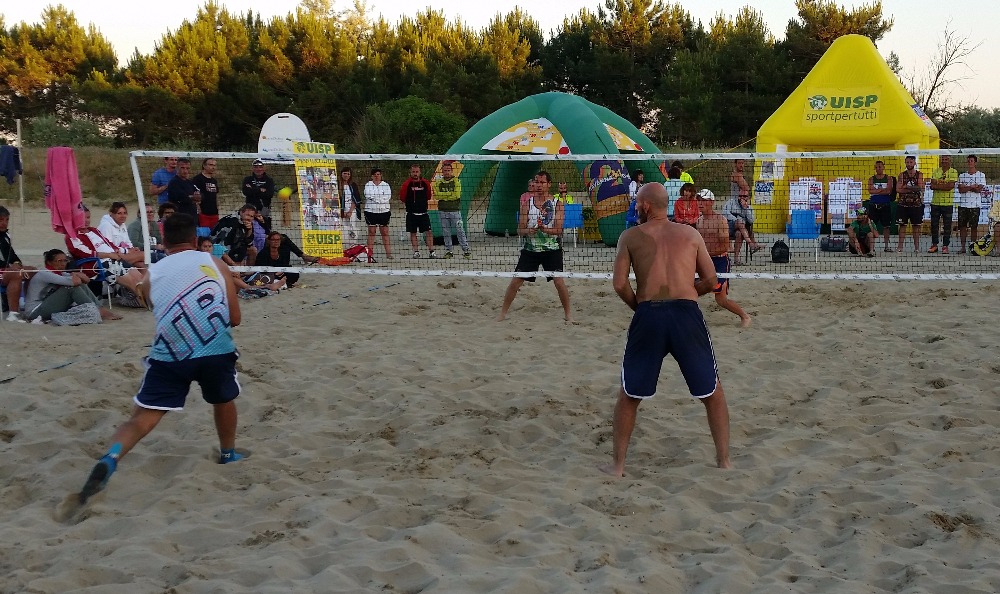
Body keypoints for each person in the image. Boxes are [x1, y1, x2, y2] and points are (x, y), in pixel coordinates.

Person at [77, 213, 245, 504]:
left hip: (171, 351)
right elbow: (235, 318)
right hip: (215, 349)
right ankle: (228, 453)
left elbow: (154, 307)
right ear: (195, 240)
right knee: (223, 400)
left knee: (142, 418)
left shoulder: (151, 274)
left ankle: (111, 457)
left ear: (164, 242)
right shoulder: (216, 264)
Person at [599, 183, 731, 477]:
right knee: (712, 391)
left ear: (646, 205)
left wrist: (639, 306)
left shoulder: (630, 236)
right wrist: (689, 293)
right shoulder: (690, 234)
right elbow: (712, 280)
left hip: (649, 314)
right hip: (686, 314)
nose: (635, 207)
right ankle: (724, 462)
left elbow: (619, 284)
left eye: (637, 203)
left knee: (629, 395)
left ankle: (617, 466)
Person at [497, 170, 572, 322]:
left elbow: (559, 230)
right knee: (516, 281)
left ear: (549, 184)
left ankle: (568, 315)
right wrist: (528, 230)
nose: (538, 185)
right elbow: (519, 229)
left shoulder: (557, 204)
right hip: (531, 249)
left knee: (558, 281)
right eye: (537, 182)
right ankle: (502, 314)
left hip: (552, 249)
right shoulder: (527, 204)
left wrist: (545, 230)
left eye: (542, 182)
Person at [696, 189, 751, 327]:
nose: (700, 203)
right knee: (690, 290)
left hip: (720, 261)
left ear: (711, 202)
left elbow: (725, 247)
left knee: (720, 299)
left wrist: (705, 254)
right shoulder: (699, 220)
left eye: (704, 200)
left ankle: (745, 317)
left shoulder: (720, 220)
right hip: (704, 261)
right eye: (699, 200)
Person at [65, 205, 147, 299]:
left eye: (88, 217)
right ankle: (146, 301)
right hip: (99, 264)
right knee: (133, 282)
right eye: (82, 218)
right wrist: (109, 255)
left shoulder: (94, 230)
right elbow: (83, 252)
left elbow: (109, 244)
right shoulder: (72, 235)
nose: (86, 221)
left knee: (139, 278)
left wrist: (121, 251)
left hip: (114, 259)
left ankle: (147, 298)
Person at [23, 249, 120, 322]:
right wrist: (76, 274)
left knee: (79, 285)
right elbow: (75, 282)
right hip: (34, 311)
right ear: (49, 262)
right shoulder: (45, 273)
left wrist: (76, 275)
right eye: (59, 261)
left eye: (65, 261)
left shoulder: (59, 273)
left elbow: (86, 280)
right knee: (70, 288)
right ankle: (98, 310)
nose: (63, 264)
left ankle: (99, 308)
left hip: (46, 305)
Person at [252, 230, 319, 288]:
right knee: (266, 278)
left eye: (278, 240)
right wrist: (274, 273)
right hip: (267, 273)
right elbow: (261, 269)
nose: (276, 241)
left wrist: (282, 271)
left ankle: (281, 282)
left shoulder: (284, 251)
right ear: (269, 241)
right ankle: (280, 283)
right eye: (273, 240)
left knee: (294, 273)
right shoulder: (263, 253)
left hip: (280, 272)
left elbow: (285, 265)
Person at [1, 205, 32, 321]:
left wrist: (17, 263)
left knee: (32, 271)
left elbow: (13, 256)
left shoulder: (5, 236)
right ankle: (13, 313)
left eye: (7, 220)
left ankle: (28, 305)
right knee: (16, 274)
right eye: (1, 220)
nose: (4, 223)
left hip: (6, 270)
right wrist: (9, 267)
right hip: (2, 271)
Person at [435, 161, 471, 258]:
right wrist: (449, 195)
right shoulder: (438, 182)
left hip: (455, 211)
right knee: (446, 232)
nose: (447, 172)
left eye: (448, 170)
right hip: (443, 210)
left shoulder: (456, 181)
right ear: (442, 172)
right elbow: (437, 196)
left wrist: (444, 196)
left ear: (452, 171)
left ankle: (466, 250)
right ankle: (449, 251)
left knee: (460, 230)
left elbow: (457, 195)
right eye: (445, 170)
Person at [399, 165, 436, 258]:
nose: (415, 174)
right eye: (413, 172)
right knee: (413, 232)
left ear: (420, 172)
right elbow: (402, 197)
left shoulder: (425, 183)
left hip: (423, 213)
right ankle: (416, 252)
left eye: (417, 172)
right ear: (410, 173)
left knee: (428, 232)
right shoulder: (406, 184)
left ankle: (431, 251)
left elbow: (429, 196)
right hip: (411, 213)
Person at [97, 202, 145, 267]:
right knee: (144, 255)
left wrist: (133, 249)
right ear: (111, 214)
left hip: (123, 253)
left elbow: (128, 242)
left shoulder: (122, 225)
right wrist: (127, 251)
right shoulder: (106, 226)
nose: (123, 216)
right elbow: (109, 247)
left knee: (141, 265)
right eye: (119, 213)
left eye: (125, 213)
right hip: (112, 257)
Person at [722, 188, 762, 264]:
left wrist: (745, 208)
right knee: (739, 223)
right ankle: (751, 244)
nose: (742, 198)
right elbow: (724, 212)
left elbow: (751, 221)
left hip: (741, 230)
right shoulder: (731, 202)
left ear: (748, 197)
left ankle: (736, 259)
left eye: (744, 196)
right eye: (740, 196)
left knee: (739, 234)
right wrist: (736, 220)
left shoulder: (749, 208)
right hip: (729, 227)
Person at [956, 155, 986, 254]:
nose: (969, 162)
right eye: (968, 161)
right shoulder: (962, 175)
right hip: (963, 204)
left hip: (975, 205)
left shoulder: (981, 175)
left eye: (971, 161)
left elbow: (978, 190)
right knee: (962, 227)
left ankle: (973, 246)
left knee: (974, 227)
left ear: (975, 163)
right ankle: (963, 247)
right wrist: (972, 186)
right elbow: (960, 190)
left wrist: (966, 187)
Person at [928, 155, 958, 254]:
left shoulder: (953, 172)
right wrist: (944, 185)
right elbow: (932, 185)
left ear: (950, 161)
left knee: (947, 226)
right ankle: (934, 245)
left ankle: (945, 246)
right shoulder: (936, 171)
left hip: (947, 203)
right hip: (935, 202)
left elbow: (950, 187)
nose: (944, 161)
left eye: (946, 159)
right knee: (934, 225)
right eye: (943, 159)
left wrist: (938, 185)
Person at [896, 155, 925, 253]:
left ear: (914, 163)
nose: (909, 164)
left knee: (916, 226)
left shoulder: (919, 174)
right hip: (903, 204)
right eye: (907, 162)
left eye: (911, 162)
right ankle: (900, 247)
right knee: (902, 226)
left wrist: (906, 187)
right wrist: (912, 189)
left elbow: (919, 188)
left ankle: (916, 248)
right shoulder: (902, 175)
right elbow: (898, 189)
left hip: (916, 204)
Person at [866, 160, 896, 252]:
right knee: (872, 226)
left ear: (883, 167)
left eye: (880, 167)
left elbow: (889, 191)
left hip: (885, 205)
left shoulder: (889, 178)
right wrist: (882, 190)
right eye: (876, 167)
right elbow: (870, 191)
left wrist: (876, 191)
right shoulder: (871, 179)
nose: (878, 168)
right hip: (873, 205)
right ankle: (872, 247)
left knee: (886, 226)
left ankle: (886, 246)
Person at [364, 168, 393, 260]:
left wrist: (377, 199)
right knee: (371, 232)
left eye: (378, 174)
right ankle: (369, 254)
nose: (376, 176)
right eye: (375, 175)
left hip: (384, 211)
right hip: (371, 211)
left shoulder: (385, 185)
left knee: (385, 232)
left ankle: (388, 254)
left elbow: (387, 196)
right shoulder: (368, 185)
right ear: (372, 176)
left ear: (381, 175)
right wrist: (378, 199)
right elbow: (368, 195)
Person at [241, 158, 275, 225]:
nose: (258, 169)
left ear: (264, 168)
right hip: (250, 209)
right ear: (252, 168)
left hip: (265, 208)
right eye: (256, 167)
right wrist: (260, 190)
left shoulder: (269, 180)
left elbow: (269, 194)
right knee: (249, 226)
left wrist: (252, 189)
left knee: (265, 227)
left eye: (260, 167)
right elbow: (246, 192)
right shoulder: (248, 179)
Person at [192, 157, 220, 230]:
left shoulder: (214, 181)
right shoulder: (197, 179)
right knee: (204, 234)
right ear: (204, 166)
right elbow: (194, 196)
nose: (213, 167)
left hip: (214, 213)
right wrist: (199, 209)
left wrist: (217, 210)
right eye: (210, 165)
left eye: (214, 165)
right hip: (203, 213)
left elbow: (215, 196)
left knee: (214, 233)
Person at [338, 167, 362, 240]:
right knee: (342, 228)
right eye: (345, 173)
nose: (346, 175)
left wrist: (350, 211)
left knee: (352, 228)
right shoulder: (337, 185)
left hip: (351, 210)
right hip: (340, 211)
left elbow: (356, 198)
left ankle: (352, 244)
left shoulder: (353, 185)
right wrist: (342, 212)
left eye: (348, 174)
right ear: (341, 174)